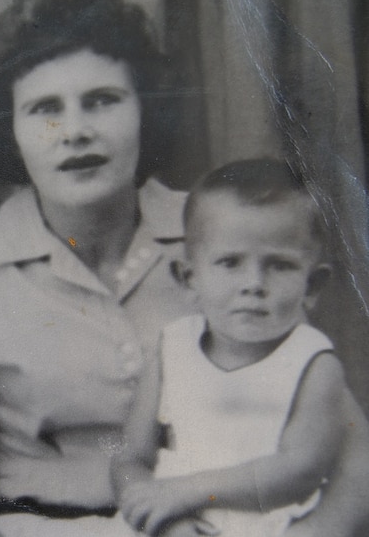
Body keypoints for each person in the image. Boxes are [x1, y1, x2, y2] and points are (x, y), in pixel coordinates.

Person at [0, 0, 369, 537]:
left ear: (145, 110)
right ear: (12, 130)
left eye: (103, 100)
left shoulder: (231, 246)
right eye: (45, 109)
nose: (76, 131)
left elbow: (355, 456)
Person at [114, 159, 347, 537]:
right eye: (230, 262)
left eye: (279, 265)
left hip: (270, 527)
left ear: (313, 286)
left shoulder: (313, 361)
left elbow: (301, 472)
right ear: (189, 279)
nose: (253, 283)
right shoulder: (174, 347)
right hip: (173, 524)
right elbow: (129, 459)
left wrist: (185, 492)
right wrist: (167, 519)